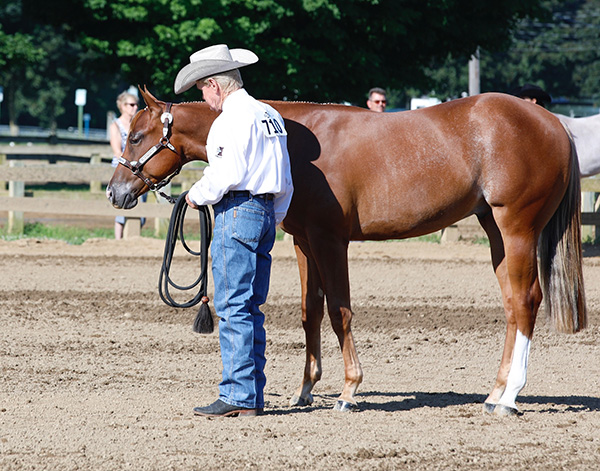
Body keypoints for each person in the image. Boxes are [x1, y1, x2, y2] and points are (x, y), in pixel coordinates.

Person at [174, 44, 294, 417]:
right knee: (251, 306)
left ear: (215, 84)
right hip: (264, 212)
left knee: (232, 306)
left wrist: (195, 195)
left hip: (237, 211)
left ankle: (238, 395)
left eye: (203, 89)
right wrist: (273, 217)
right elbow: (284, 178)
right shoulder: (269, 114)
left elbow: (225, 174)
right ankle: (251, 393)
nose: (204, 98)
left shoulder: (229, 119)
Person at [109, 91, 146, 239]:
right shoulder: (116, 126)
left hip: (138, 170)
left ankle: (133, 238)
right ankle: (119, 240)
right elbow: (117, 151)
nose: (135, 107)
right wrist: (130, 164)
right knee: (121, 205)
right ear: (123, 106)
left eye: (136, 104)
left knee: (140, 205)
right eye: (131, 105)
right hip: (123, 169)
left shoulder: (138, 125)